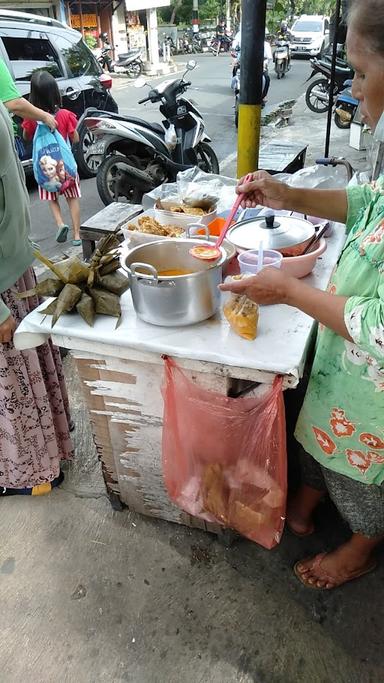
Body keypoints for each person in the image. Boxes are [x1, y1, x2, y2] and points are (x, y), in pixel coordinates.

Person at [221, 0, 384, 590]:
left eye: (361, 73)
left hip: (375, 383)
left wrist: (288, 291)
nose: (356, 92)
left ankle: (361, 546)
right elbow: (371, 203)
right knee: (315, 431)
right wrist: (288, 197)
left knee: (362, 473)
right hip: (343, 356)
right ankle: (309, 505)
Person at [0, 99, 73, 495]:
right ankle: (37, 466)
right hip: (5, 275)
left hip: (10, 265)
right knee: (17, 380)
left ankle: (39, 466)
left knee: (22, 376)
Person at [22, 70, 82, 246]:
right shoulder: (64, 115)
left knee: (52, 198)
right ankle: (77, 235)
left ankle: (60, 223)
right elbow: (75, 137)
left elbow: (26, 135)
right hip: (67, 168)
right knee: (72, 198)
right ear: (55, 92)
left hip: (46, 169)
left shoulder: (32, 118)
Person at [0, 59, 57, 132]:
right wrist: (45, 117)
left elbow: (26, 136)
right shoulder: (65, 114)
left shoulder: (29, 119)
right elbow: (14, 104)